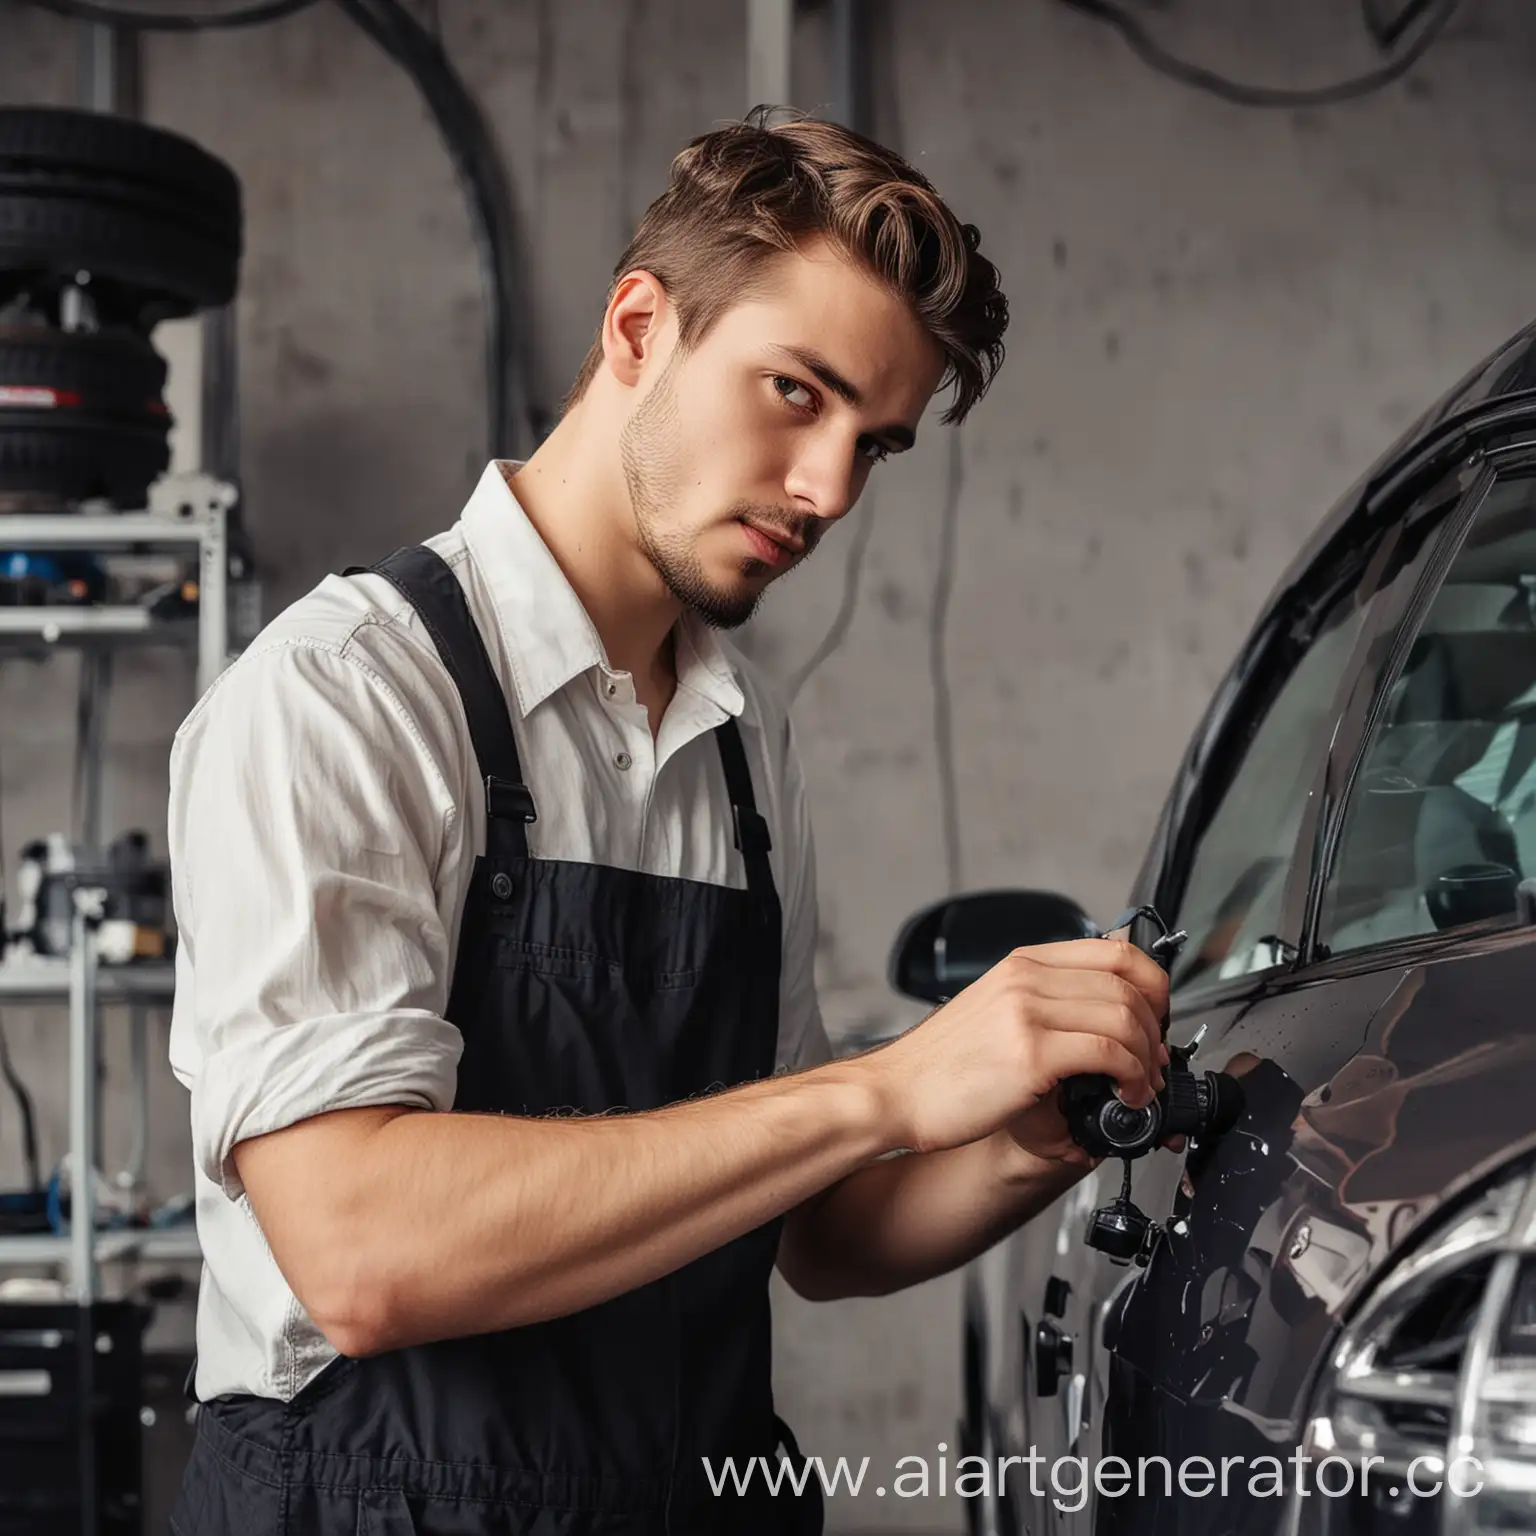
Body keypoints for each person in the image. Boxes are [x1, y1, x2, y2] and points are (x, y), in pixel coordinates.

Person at [166, 108, 1171, 1535]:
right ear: (640, 326)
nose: (826, 491)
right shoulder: (346, 697)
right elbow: (359, 1246)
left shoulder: (744, 746)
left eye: (872, 446)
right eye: (795, 393)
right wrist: (885, 1089)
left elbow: (818, 1231)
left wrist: (1034, 1133)